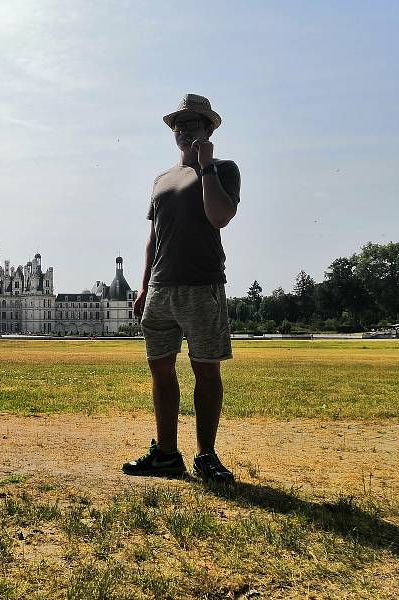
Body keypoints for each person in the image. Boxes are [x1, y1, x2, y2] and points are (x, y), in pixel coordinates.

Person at [122, 94, 240, 483]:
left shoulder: (224, 169)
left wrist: (204, 166)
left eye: (192, 123)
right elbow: (153, 239)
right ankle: (168, 454)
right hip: (160, 288)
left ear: (210, 128)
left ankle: (206, 454)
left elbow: (219, 216)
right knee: (161, 370)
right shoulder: (161, 180)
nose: (184, 129)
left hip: (201, 285)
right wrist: (143, 288)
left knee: (205, 371)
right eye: (179, 124)